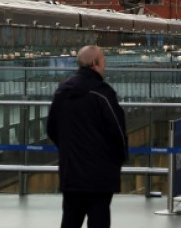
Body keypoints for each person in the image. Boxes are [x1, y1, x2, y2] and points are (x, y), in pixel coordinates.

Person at [47, 45, 128, 228]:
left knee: (70, 219)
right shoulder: (103, 94)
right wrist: (118, 159)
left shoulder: (62, 92)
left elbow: (52, 128)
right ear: (94, 64)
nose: (105, 66)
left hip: (71, 172)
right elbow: (118, 131)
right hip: (100, 176)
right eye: (104, 62)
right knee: (99, 220)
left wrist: (68, 150)